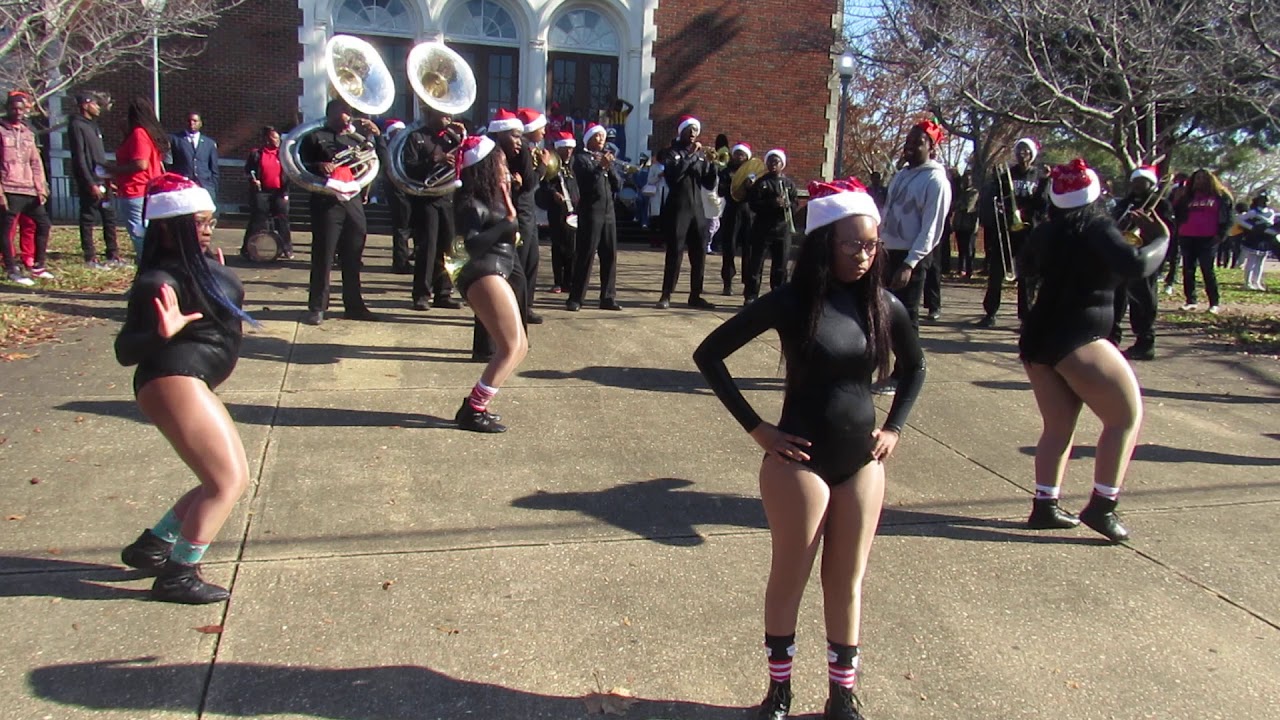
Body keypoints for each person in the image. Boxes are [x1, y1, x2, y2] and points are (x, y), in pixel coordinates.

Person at [694, 178, 925, 720]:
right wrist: (758, 429)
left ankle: (842, 695)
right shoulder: (793, 302)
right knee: (791, 576)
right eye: (853, 244)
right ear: (825, 241)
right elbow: (710, 354)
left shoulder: (883, 305)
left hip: (861, 465)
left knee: (847, 581)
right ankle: (779, 691)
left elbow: (916, 367)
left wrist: (895, 428)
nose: (866, 255)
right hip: (798, 463)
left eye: (872, 244)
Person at [115, 173, 258, 603]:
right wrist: (163, 332)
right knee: (228, 481)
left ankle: (153, 547)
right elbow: (125, 350)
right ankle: (179, 575)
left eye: (209, 220)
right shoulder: (158, 281)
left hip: (184, 381)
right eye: (197, 222)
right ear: (168, 225)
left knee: (214, 478)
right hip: (174, 381)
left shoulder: (192, 269)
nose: (208, 228)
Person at [1017, 158, 1169, 542]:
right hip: (1080, 336)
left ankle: (1045, 505)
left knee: (1057, 427)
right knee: (1124, 418)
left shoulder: (1046, 231)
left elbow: (1031, 267)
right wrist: (1161, 241)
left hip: (1039, 339)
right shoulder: (1097, 227)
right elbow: (1135, 265)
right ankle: (1103, 506)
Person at [449, 135, 528, 433]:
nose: (506, 168)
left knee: (519, 346)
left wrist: (507, 198)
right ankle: (473, 410)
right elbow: (468, 246)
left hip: (496, 270)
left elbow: (511, 223)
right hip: (482, 272)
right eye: (501, 163)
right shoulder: (470, 203)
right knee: (509, 347)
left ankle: (475, 404)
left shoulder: (493, 196)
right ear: (484, 166)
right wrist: (504, 227)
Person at [877, 120, 951, 394]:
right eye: (908, 141)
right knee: (881, 312)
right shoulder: (900, 175)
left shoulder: (936, 180)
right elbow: (887, 214)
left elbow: (932, 228)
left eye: (917, 142)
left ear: (931, 147)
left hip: (912, 256)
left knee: (905, 318)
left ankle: (905, 373)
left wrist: (910, 262)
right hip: (888, 251)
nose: (910, 147)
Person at [299, 98, 382, 325]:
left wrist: (377, 136)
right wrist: (318, 165)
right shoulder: (315, 136)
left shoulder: (355, 139)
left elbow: (376, 161)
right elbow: (300, 163)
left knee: (353, 257)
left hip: (352, 200)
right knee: (323, 256)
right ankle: (317, 307)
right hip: (326, 201)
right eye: (345, 111)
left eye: (350, 111)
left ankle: (354, 305)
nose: (349, 114)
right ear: (332, 112)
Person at [977, 137, 1048, 327]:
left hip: (1028, 231)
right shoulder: (1007, 174)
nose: (1022, 154)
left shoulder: (1038, 177)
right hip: (1006, 230)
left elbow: (1043, 205)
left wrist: (1045, 184)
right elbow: (997, 196)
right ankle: (990, 313)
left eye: (1026, 151)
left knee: (1026, 276)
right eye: (1019, 150)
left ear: (1032, 154)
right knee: (996, 273)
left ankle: (1026, 317)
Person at [403, 106, 465, 311]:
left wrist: (462, 137)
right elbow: (409, 167)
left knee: (448, 248)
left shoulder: (451, 138)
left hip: (447, 197)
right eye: (444, 114)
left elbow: (467, 159)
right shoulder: (416, 137)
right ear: (432, 114)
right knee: (427, 248)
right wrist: (435, 159)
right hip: (425, 199)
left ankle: (444, 293)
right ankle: (421, 294)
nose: (449, 117)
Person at [1109, 166, 1172, 361]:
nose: (1137, 185)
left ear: (1151, 184)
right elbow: (1113, 223)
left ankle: (1145, 342)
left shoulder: (1161, 205)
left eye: (1142, 182)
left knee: (1143, 299)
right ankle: (1111, 338)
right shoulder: (1124, 204)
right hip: (1123, 254)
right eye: (1134, 181)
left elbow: (1168, 232)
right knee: (1116, 297)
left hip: (1147, 255)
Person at [656, 115, 718, 309]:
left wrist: (712, 166)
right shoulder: (671, 153)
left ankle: (695, 295)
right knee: (675, 252)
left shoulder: (700, 157)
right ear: (680, 132)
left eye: (695, 130)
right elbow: (673, 177)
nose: (692, 133)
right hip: (678, 208)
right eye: (688, 130)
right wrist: (691, 156)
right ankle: (666, 295)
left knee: (699, 253)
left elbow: (708, 184)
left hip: (698, 209)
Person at [567, 123, 623, 312]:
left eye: (603, 136)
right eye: (597, 136)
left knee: (609, 255)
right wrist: (600, 167)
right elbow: (587, 183)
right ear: (588, 139)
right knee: (586, 254)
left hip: (608, 212)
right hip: (591, 212)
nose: (601, 139)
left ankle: (608, 297)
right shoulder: (581, 159)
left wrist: (611, 169)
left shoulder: (605, 159)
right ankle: (576, 297)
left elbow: (618, 186)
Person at [0, 91, 53, 285]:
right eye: (14, 108)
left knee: (43, 224)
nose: (18, 112)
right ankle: (11, 268)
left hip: (29, 189)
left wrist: (41, 188)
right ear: (7, 109)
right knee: (6, 231)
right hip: (9, 188)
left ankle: (38, 265)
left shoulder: (28, 133)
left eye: (22, 109)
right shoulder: (1, 130)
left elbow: (35, 162)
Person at [67, 91, 122, 268]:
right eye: (96, 104)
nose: (99, 107)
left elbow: (100, 157)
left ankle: (113, 255)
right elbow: (80, 156)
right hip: (90, 181)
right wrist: (90, 182)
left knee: (110, 217)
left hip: (102, 179)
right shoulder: (77, 125)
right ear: (85, 104)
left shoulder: (94, 126)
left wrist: (107, 178)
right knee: (88, 217)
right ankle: (90, 257)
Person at [113, 97, 168, 258]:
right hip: (148, 190)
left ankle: (148, 266)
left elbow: (141, 164)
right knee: (149, 232)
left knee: (139, 233)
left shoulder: (139, 133)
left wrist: (112, 169)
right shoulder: (149, 133)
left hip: (137, 189)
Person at [1173, 169, 1233, 314]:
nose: (1199, 181)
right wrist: (1176, 199)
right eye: (1196, 178)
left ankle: (1214, 303)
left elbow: (1229, 217)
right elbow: (1175, 213)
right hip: (1187, 236)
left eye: (1202, 178)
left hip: (1209, 238)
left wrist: (1221, 235)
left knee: (1207, 269)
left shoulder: (1220, 197)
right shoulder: (1187, 196)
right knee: (1188, 269)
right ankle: (1191, 301)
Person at [743, 149, 797, 304]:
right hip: (763, 228)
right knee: (756, 263)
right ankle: (751, 295)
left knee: (781, 266)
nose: (773, 165)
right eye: (770, 162)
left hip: (783, 229)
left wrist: (787, 204)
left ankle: (778, 296)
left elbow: (795, 204)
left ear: (782, 164)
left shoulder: (788, 184)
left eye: (776, 162)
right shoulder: (762, 182)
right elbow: (753, 204)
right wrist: (772, 204)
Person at [240, 126, 293, 260]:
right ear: (266, 139)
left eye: (277, 138)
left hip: (280, 192)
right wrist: (253, 180)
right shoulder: (256, 154)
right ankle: (249, 249)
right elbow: (247, 171)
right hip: (261, 192)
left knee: (282, 220)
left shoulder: (283, 154)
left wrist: (286, 192)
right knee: (257, 220)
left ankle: (287, 248)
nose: (276, 141)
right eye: (273, 138)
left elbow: (289, 172)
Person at [537, 130, 580, 295]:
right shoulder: (553, 164)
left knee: (573, 247)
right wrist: (553, 193)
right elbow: (544, 185)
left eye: (570, 148)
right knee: (558, 246)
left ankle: (569, 281)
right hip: (558, 210)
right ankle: (558, 281)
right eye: (565, 148)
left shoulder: (575, 164)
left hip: (574, 209)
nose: (568, 151)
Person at [517, 107, 549, 321]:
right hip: (521, 211)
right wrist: (543, 167)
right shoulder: (523, 151)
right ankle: (519, 308)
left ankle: (526, 305)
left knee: (532, 260)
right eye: (541, 129)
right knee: (522, 262)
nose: (544, 133)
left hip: (529, 212)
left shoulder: (529, 150)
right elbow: (529, 183)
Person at [716, 143, 755, 296]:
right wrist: (734, 185)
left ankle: (747, 283)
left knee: (749, 250)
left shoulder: (753, 173)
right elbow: (720, 191)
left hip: (749, 213)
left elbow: (757, 194)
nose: (739, 157)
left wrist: (750, 187)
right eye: (737, 154)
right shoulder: (726, 172)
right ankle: (727, 282)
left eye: (742, 154)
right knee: (729, 248)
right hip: (732, 212)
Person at [375, 118, 414, 273]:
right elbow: (386, 162)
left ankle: (406, 256)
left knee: (407, 226)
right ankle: (400, 262)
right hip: (397, 190)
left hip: (406, 190)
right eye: (397, 132)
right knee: (401, 227)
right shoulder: (388, 147)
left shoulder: (404, 147)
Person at [168, 111, 220, 205]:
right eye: (189, 121)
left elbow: (214, 168)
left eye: (195, 121)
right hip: (183, 186)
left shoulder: (209, 143)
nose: (192, 123)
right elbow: (169, 163)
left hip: (204, 186)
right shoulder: (175, 140)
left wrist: (213, 187)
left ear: (200, 123)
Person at [1237, 193, 1276, 291]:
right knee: (1251, 261)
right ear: (1259, 201)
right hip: (1254, 238)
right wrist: (1251, 227)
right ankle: (1247, 282)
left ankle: (1257, 282)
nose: (1266, 202)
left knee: (1261, 261)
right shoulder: (1253, 212)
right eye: (1264, 200)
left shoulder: (1271, 212)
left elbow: (1271, 222)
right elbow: (1239, 219)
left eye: (1268, 200)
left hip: (1264, 238)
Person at [952, 170, 979, 279]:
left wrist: (958, 205)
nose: (966, 181)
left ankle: (969, 271)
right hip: (959, 225)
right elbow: (954, 205)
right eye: (965, 179)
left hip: (970, 226)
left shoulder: (974, 193)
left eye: (969, 179)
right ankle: (960, 269)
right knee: (961, 249)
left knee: (969, 250)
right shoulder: (961, 192)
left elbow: (967, 206)